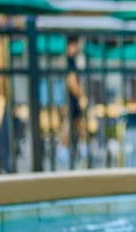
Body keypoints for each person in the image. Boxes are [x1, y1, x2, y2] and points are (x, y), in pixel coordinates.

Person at [62, 35, 87, 169]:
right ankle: (67, 156)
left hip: (72, 100)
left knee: (77, 126)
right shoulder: (70, 60)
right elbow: (72, 82)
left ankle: (78, 155)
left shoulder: (72, 60)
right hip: (72, 100)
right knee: (70, 126)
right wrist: (81, 95)